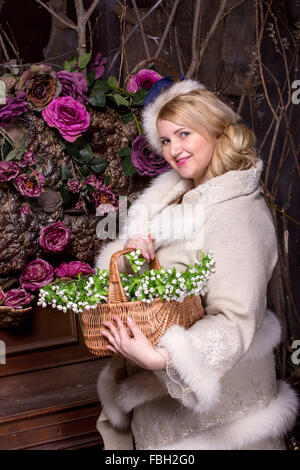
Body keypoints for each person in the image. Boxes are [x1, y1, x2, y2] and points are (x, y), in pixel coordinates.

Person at [94, 79, 298, 450]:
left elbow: (236, 318)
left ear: (216, 131)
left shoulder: (236, 211)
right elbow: (168, 289)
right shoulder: (176, 199)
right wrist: (137, 257)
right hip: (160, 412)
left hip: (218, 420)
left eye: (184, 134)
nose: (174, 150)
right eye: (166, 140)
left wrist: (163, 357)